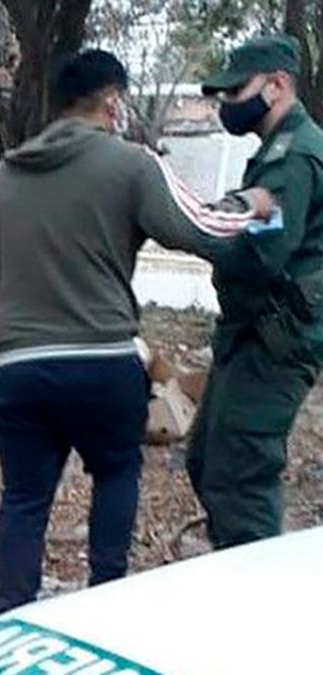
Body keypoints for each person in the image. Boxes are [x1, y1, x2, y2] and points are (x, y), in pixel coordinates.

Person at [0, 49, 276, 614]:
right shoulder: (130, 164)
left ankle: (9, 617)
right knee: (115, 474)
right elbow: (197, 229)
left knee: (25, 499)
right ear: (112, 101)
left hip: (20, 372)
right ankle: (105, 605)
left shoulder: (6, 175)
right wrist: (249, 205)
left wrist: (13, 334)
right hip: (102, 364)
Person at [189, 35, 323, 550]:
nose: (227, 104)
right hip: (249, 335)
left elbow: (264, 254)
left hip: (276, 342)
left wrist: (201, 230)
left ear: (278, 86)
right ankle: (237, 571)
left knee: (239, 479)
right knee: (207, 462)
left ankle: (259, 607)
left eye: (236, 90)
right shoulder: (276, 151)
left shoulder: (295, 155)